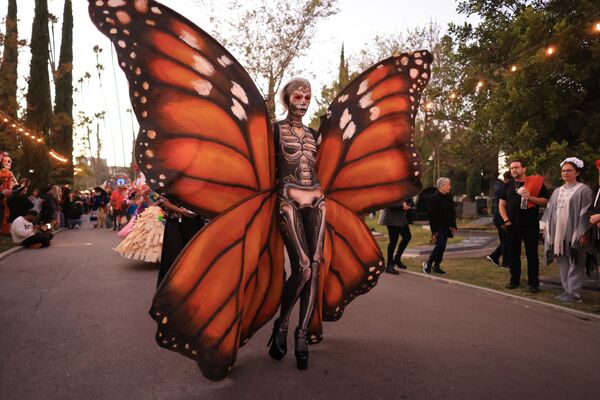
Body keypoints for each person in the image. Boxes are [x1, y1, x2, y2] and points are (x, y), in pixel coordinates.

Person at [267, 78, 326, 370]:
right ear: (286, 98)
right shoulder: (274, 130)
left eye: (308, 97)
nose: (303, 102)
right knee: (302, 268)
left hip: (317, 199)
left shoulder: (316, 134)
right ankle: (282, 324)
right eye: (298, 97)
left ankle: (301, 333)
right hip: (287, 199)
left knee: (315, 267)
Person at [541, 157, 593, 303]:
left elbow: (588, 213)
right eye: (563, 170)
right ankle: (567, 290)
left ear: (577, 172)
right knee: (562, 261)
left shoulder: (584, 190)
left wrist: (585, 232)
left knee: (575, 261)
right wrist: (545, 229)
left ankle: (575, 293)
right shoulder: (557, 191)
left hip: (575, 232)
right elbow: (549, 211)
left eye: (569, 170)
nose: (565, 173)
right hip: (558, 233)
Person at [499, 159, 549, 293]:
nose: (514, 170)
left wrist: (530, 197)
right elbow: (501, 205)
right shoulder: (508, 185)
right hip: (512, 225)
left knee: (532, 255)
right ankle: (514, 281)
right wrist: (506, 220)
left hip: (530, 225)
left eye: (516, 167)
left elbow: (545, 201)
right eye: (512, 168)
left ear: (524, 169)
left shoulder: (536, 183)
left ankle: (534, 284)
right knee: (513, 254)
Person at [157, 198, 205, 286]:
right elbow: (159, 199)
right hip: (175, 223)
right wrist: (179, 210)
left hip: (195, 221)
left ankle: (195, 286)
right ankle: (175, 286)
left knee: (196, 255)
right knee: (174, 256)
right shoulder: (163, 184)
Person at [423, 177, 456, 275]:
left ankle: (436, 266)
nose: (450, 187)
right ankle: (428, 262)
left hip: (447, 226)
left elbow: (452, 212)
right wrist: (434, 231)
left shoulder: (449, 197)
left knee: (442, 246)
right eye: (448, 185)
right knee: (440, 245)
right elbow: (431, 215)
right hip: (438, 226)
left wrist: (453, 225)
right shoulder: (434, 198)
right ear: (442, 186)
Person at [379, 198, 414, 274]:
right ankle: (389, 265)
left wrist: (409, 205)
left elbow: (409, 199)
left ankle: (397, 259)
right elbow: (387, 203)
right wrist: (402, 206)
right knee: (394, 240)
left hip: (400, 217)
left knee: (407, 236)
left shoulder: (403, 186)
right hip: (391, 217)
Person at [486, 171, 512, 268]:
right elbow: (500, 207)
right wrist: (503, 221)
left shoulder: (500, 187)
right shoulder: (502, 189)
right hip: (501, 219)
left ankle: (495, 257)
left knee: (505, 241)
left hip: (500, 219)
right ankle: (504, 261)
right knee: (506, 241)